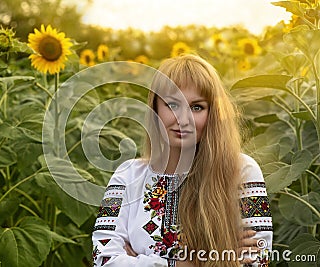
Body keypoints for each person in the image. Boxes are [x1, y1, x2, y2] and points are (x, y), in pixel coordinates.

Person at [91, 54, 272, 267]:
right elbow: (102, 258)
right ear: (155, 108)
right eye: (173, 105)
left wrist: (137, 262)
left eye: (197, 107)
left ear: (212, 113)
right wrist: (188, 264)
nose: (183, 119)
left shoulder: (243, 172)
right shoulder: (126, 176)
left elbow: (257, 260)